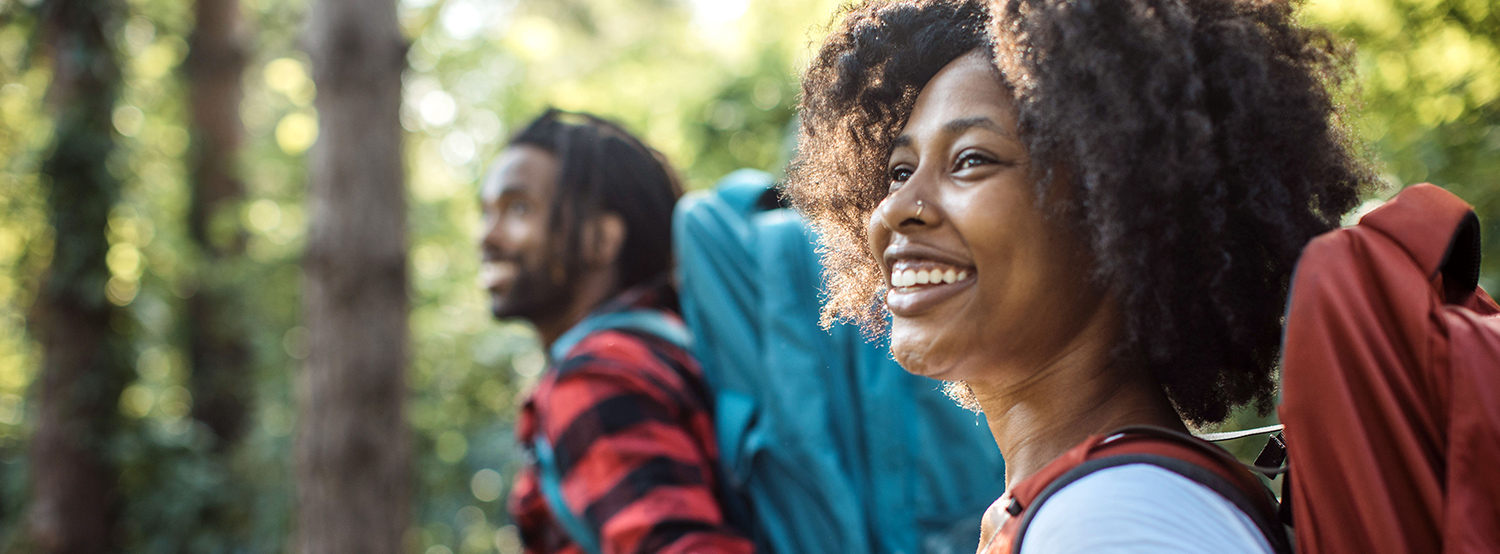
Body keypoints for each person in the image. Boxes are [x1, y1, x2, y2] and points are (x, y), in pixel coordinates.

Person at [785, 0, 1372, 552]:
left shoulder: (1117, 520)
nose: (894, 210)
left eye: (971, 160)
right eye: (898, 170)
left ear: (1121, 209)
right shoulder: (1085, 505)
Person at [479, 109, 752, 554]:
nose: (486, 236)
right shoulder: (676, 347)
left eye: (519, 208)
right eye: (486, 211)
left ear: (601, 239)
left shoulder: (597, 375)